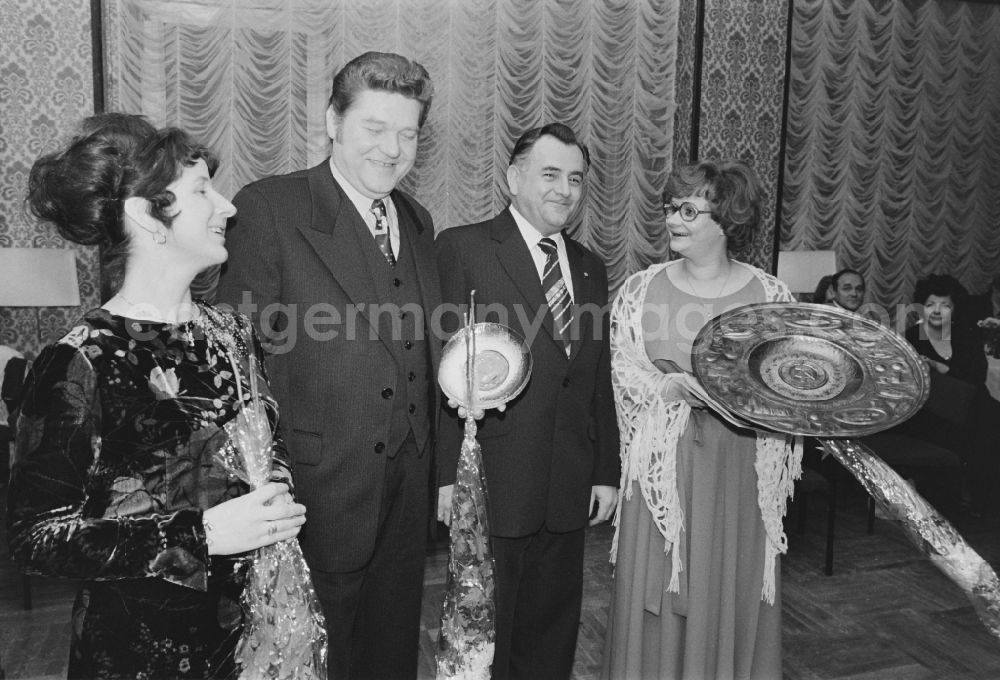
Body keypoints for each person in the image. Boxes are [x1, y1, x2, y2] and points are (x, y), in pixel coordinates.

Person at [7, 113, 307, 678]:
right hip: (138, 650)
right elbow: (36, 537)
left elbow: (267, 443)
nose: (228, 207)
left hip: (251, 634)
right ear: (147, 215)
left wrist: (276, 494)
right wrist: (203, 533)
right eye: (202, 191)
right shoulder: (82, 358)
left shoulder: (231, 331)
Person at [216, 51, 441, 680]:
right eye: (375, 127)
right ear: (332, 121)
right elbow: (238, 364)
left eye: (408, 133)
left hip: (405, 488)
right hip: (316, 491)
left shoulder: (418, 221)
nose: (393, 149)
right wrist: (259, 486)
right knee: (318, 657)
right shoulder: (270, 209)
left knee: (390, 650)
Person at [435, 123, 620, 680]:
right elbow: (440, 365)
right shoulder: (463, 248)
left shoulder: (590, 267)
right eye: (550, 175)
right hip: (492, 479)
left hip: (567, 482)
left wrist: (605, 470)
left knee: (552, 634)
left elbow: (594, 378)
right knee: (487, 633)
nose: (564, 190)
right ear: (514, 179)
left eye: (575, 179)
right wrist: (447, 477)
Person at [602, 159, 799, 679]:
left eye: (689, 209)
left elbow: (789, 385)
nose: (673, 219)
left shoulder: (770, 296)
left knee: (727, 585)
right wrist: (665, 386)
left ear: (727, 219)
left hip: (738, 473)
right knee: (660, 592)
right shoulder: (640, 290)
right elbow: (621, 369)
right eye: (670, 207)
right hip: (663, 472)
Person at [904, 274, 992, 515]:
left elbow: (977, 376)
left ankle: (981, 500)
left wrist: (943, 368)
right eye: (931, 304)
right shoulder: (916, 335)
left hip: (973, 403)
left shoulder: (966, 333)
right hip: (935, 408)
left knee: (989, 426)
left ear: (955, 309)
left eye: (945, 305)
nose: (937, 310)